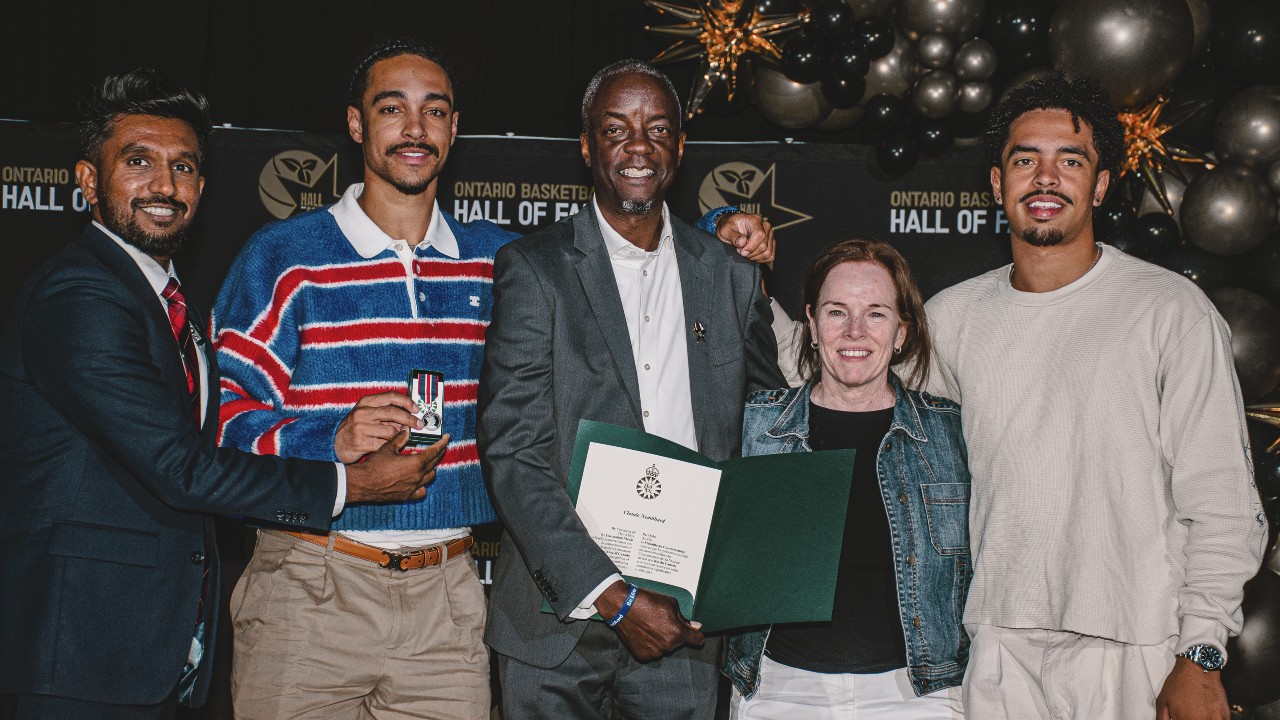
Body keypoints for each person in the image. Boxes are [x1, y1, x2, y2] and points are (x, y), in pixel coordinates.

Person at [214, 40, 777, 719]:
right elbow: (221, 415)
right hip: (313, 579)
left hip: (448, 593)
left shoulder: (499, 258)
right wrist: (325, 440)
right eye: (392, 109)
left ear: (455, 130)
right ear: (358, 124)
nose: (415, 129)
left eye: (435, 111)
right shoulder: (281, 256)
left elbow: (628, 252)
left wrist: (720, 236)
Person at [0, 69, 441, 720]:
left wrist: (332, 437)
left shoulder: (172, 302)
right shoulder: (81, 296)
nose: (164, 185)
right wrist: (350, 484)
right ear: (88, 180)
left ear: (202, 187)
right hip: (84, 655)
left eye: (183, 167)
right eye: (138, 162)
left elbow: (208, 447)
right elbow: (179, 469)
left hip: (155, 651)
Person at [924, 72, 1267, 720]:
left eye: (1070, 160)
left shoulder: (1170, 310)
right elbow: (851, 397)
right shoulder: (950, 319)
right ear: (998, 184)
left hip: (1139, 647)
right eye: (1025, 160)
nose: (1045, 178)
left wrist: (1200, 654)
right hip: (994, 650)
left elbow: (1221, 501)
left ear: (1102, 184)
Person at [477, 59, 786, 720]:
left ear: (679, 146)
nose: (638, 146)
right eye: (616, 130)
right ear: (587, 146)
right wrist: (612, 596)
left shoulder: (729, 278)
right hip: (554, 621)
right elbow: (514, 453)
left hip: (686, 629)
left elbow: (768, 429)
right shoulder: (534, 270)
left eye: (657, 129)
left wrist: (744, 581)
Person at [724, 239, 969, 720]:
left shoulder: (950, 433)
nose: (855, 330)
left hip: (919, 694)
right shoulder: (755, 427)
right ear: (811, 325)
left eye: (876, 314)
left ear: (902, 331)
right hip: (779, 689)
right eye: (837, 312)